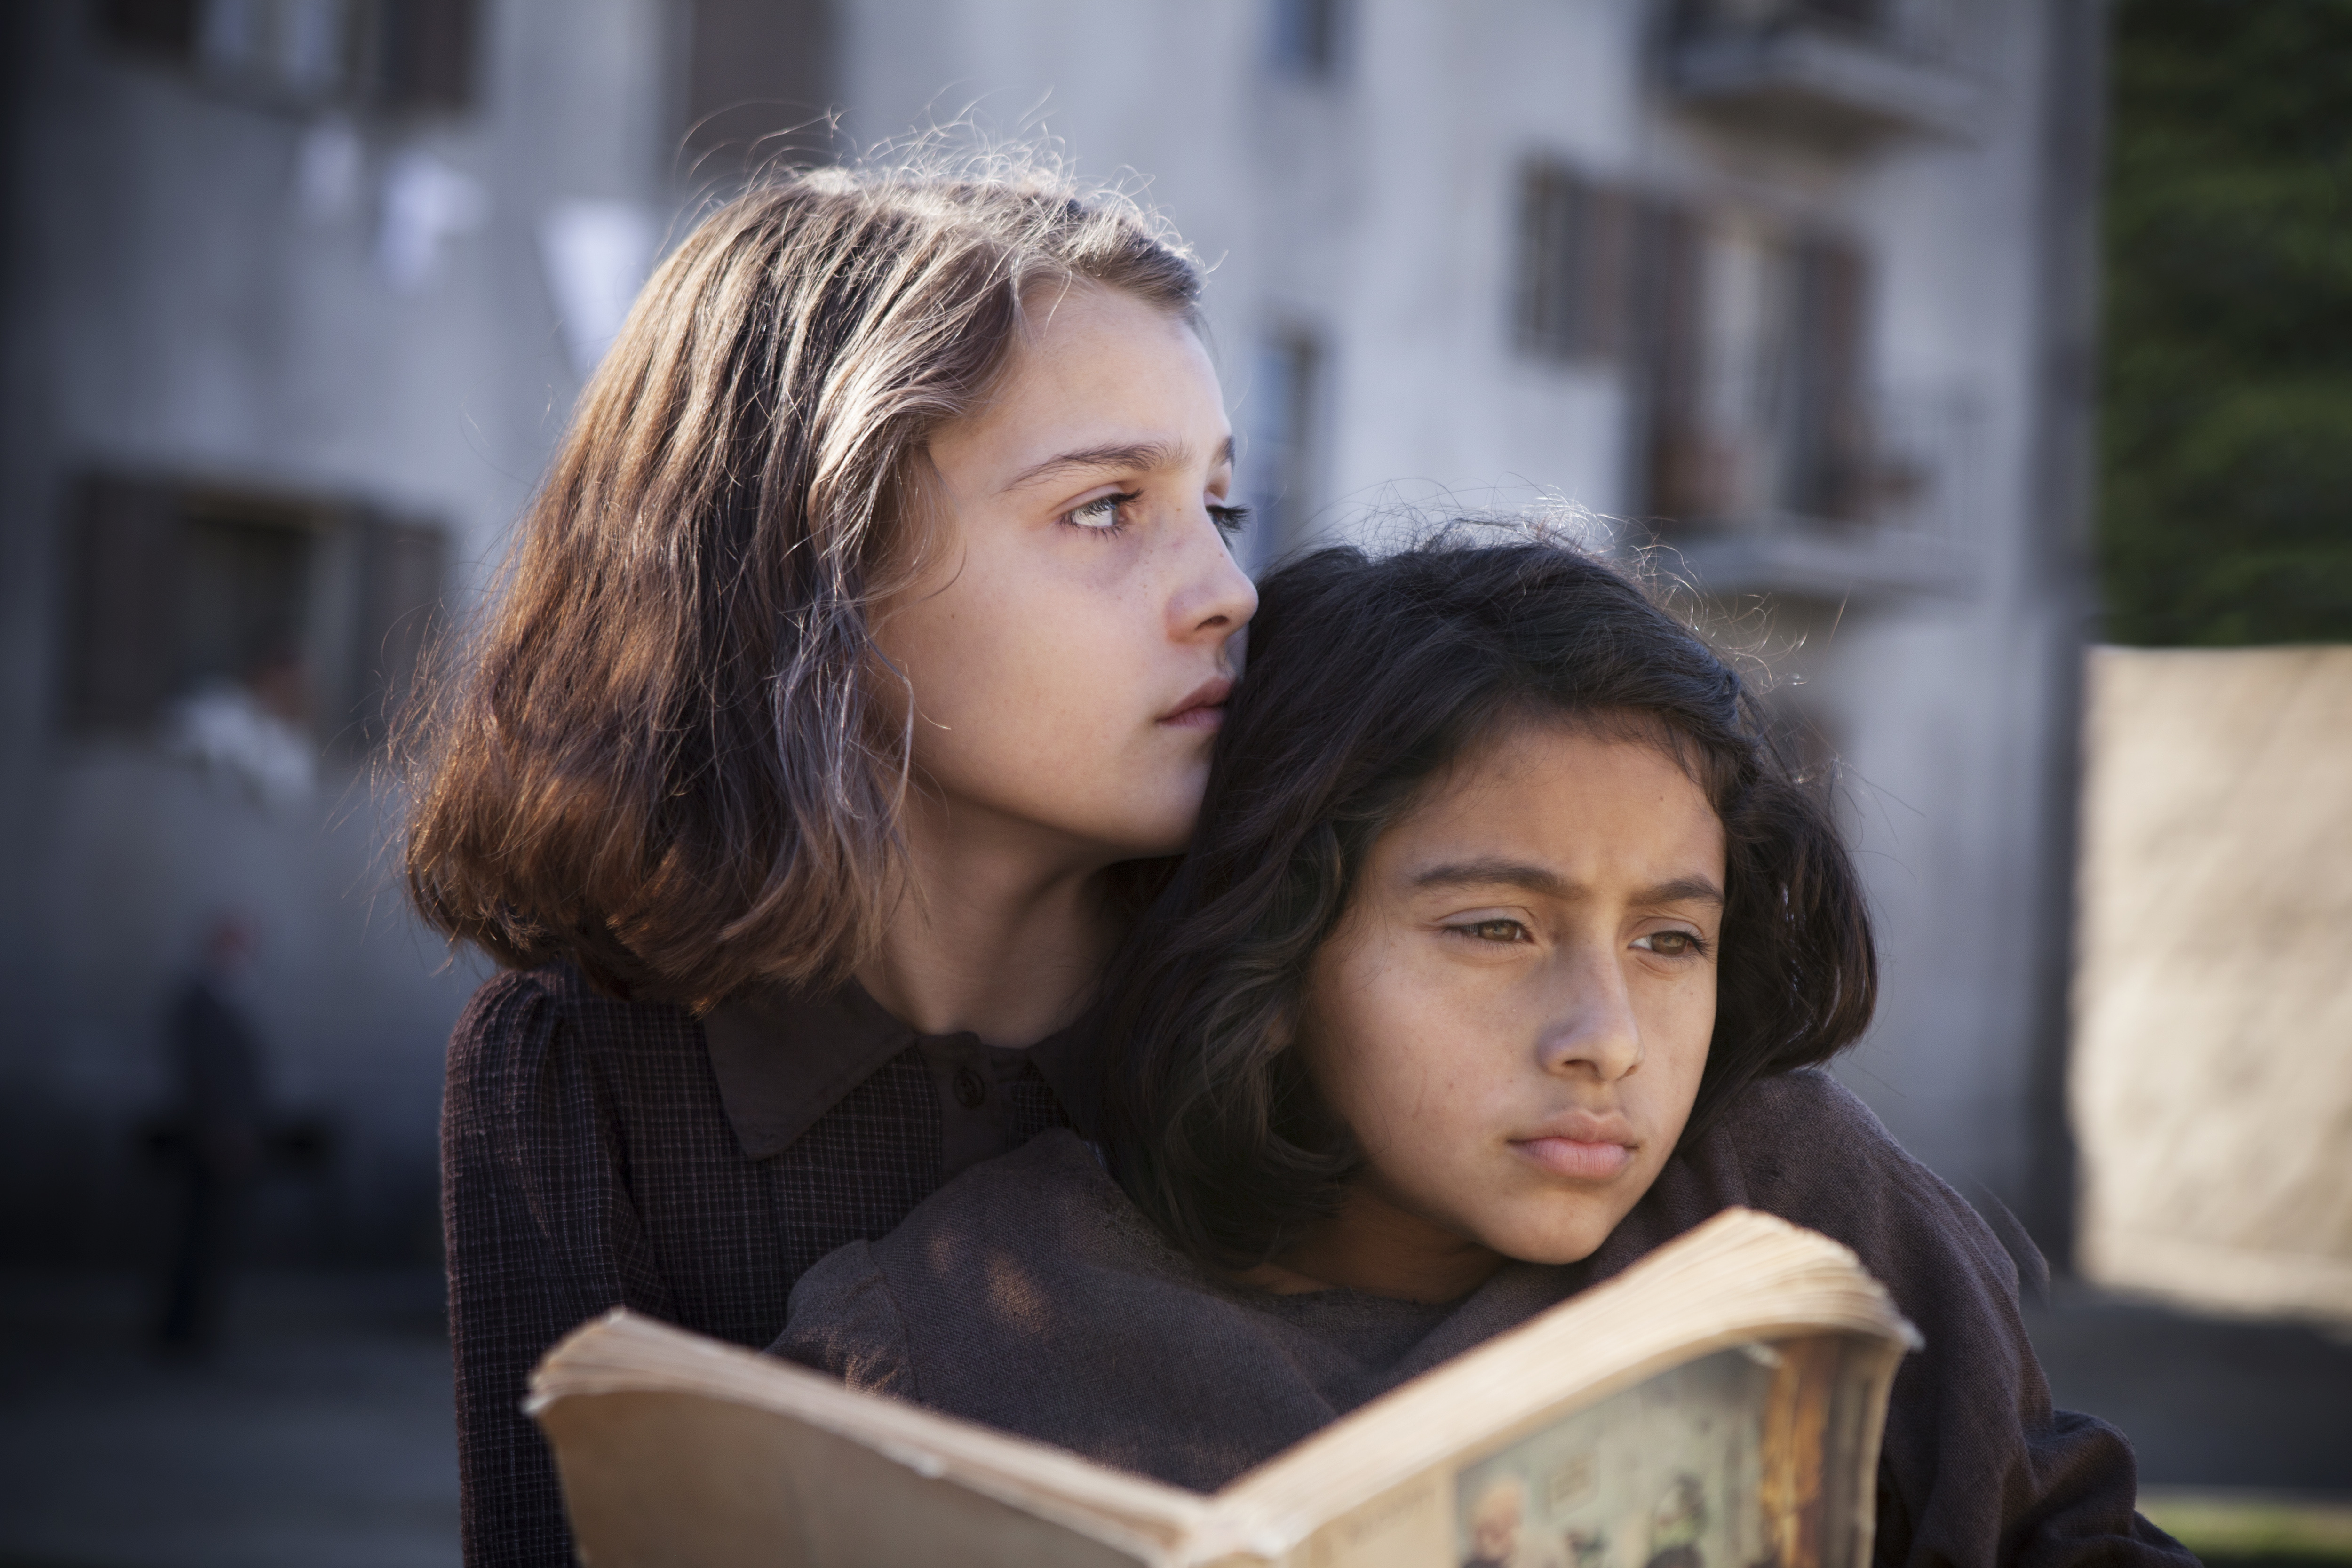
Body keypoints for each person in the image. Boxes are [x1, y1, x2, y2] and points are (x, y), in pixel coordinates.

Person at [778, 535, 2196, 1567]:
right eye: (1495, 929)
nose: (1604, 1040)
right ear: (1269, 955)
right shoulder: (951, 1335)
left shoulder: (1781, 1209)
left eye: (1667, 940)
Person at [405, 159, 1257, 1564]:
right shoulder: (573, 1074)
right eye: (1106, 507)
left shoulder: (1299, 979)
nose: (1226, 590)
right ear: (816, 566)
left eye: (1218, 507)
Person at [155, 912, 271, 1350]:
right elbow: (201, 1074)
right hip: (208, 1140)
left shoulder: (228, 1000)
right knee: (197, 1236)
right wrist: (221, 1129)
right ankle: (182, 1332)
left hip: (228, 1138)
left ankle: (197, 1328)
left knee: (214, 1238)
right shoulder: (198, 1001)